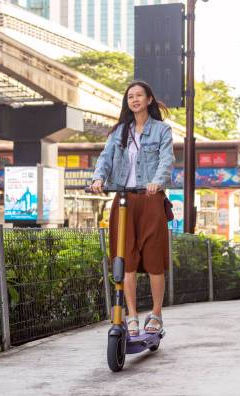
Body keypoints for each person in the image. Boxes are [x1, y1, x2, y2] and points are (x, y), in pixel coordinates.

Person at [90, 81, 173, 336]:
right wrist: (98, 178)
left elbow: (166, 159)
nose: (134, 100)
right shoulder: (119, 132)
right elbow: (105, 158)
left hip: (150, 199)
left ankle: (156, 314)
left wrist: (157, 182)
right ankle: (132, 316)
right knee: (125, 260)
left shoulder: (162, 130)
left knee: (153, 259)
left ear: (149, 100)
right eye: (130, 97)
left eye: (139, 95)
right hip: (124, 199)